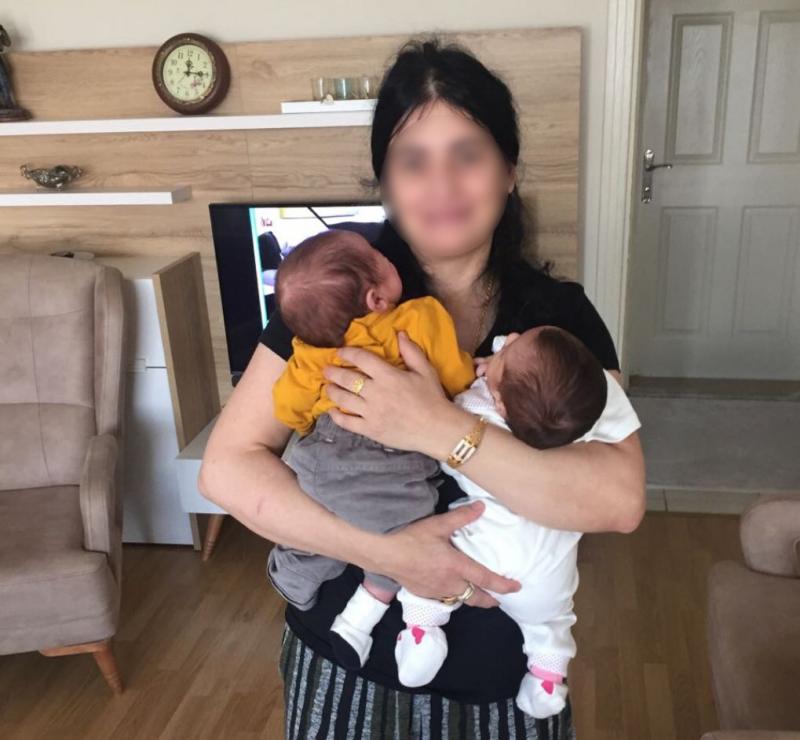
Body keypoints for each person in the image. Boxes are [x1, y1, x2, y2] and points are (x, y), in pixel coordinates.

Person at [199, 34, 646, 739]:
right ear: (386, 181)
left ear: (509, 171)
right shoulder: (334, 301)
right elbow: (226, 468)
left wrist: (440, 429)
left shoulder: (556, 321)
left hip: (501, 681)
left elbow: (618, 500)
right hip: (343, 657)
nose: (442, 185)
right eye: (414, 161)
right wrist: (389, 555)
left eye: (467, 154)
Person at [393, 328, 642, 722]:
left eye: (509, 346)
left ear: (499, 403)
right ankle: (547, 677)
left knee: (429, 564)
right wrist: (501, 367)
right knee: (552, 621)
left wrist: (483, 379)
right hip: (548, 579)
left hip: (484, 552)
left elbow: (439, 434)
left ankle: (423, 630)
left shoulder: (476, 409)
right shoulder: (581, 413)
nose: (508, 337)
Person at [264, 228, 475, 671]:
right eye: (377, 257)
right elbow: (455, 378)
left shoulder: (309, 349)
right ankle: (366, 614)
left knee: (331, 521)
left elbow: (286, 404)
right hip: (384, 459)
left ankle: (295, 575)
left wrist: (308, 425)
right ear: (377, 299)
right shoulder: (418, 317)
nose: (384, 253)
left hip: (317, 453)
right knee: (407, 531)